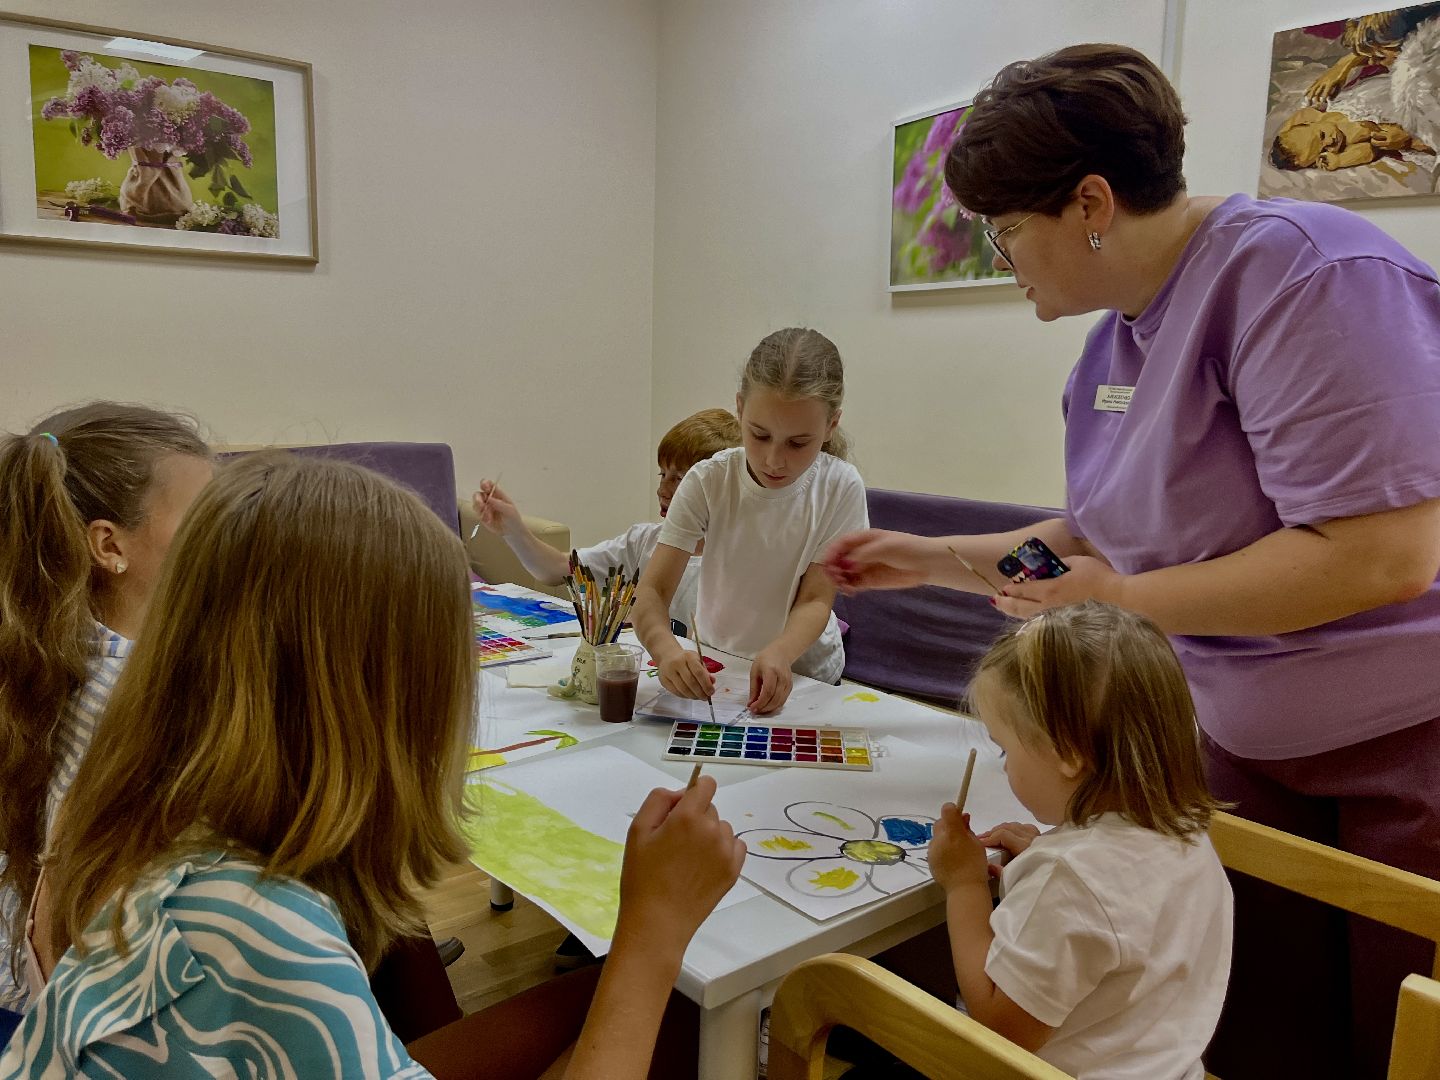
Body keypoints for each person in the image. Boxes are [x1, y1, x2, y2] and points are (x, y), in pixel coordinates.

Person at [823, 43, 1440, 1080]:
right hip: (1240, 746)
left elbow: (1382, 555)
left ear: (1092, 204)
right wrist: (930, 559)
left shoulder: (1306, 275)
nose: (1002, 257)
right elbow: (1092, 536)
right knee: (1258, 1034)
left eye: (1009, 231)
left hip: (1400, 752)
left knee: (1389, 1040)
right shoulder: (1116, 344)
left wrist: (1123, 598)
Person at [0, 453, 743, 1078]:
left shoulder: (140, 787)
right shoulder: (257, 934)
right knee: (669, 1010)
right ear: (385, 701)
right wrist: (652, 929)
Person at [928, 602, 1230, 1080]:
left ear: (1066, 754)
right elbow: (1121, 927)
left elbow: (1001, 1027)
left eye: (1006, 748)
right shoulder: (1187, 833)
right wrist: (1048, 854)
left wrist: (963, 885)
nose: (1005, 766)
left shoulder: (1068, 880)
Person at [0, 403, 212, 1014]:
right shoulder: (144, 704)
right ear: (109, 545)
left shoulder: (53, 643)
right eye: (206, 520)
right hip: (77, 1006)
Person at [633, 328, 867, 715]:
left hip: (804, 673)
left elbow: (814, 598)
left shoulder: (840, 486)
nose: (775, 460)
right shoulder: (709, 480)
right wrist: (665, 650)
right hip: (716, 664)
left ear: (830, 426)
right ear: (740, 409)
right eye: (759, 436)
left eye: (798, 443)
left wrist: (781, 652)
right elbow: (652, 592)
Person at [472, 408, 740, 632]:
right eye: (662, 475)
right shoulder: (644, 541)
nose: (662, 490)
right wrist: (513, 530)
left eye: (679, 479)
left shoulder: (739, 561)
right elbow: (555, 569)